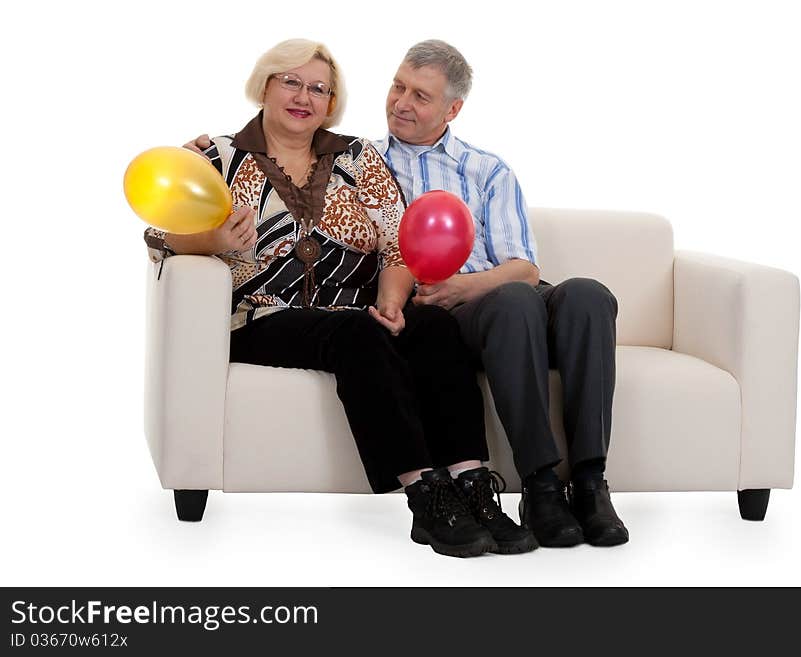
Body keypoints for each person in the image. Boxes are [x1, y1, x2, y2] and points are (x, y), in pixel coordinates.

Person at [152, 38, 537, 557]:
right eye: (291, 81)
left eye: (319, 89)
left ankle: (473, 483)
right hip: (264, 316)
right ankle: (425, 495)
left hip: (353, 312)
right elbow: (160, 236)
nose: (303, 97)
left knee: (435, 326)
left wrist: (394, 301)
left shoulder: (357, 156)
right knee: (356, 332)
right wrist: (216, 239)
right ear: (264, 84)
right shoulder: (219, 154)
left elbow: (397, 245)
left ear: (331, 102)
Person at [379, 40, 629, 547]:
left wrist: (463, 285)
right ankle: (539, 486)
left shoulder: (488, 170)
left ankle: (589, 483)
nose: (402, 102)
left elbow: (523, 266)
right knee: (515, 302)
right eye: (398, 86)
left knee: (587, 296)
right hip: (468, 316)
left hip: (499, 290)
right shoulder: (364, 166)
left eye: (420, 96)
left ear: (452, 109)